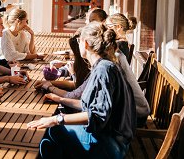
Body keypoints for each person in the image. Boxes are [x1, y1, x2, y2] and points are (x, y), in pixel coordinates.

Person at [28, 23, 137, 158]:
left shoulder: (103, 70)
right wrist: (61, 100)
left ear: (85, 44)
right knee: (49, 139)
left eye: (79, 41)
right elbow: (89, 105)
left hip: (111, 144)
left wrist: (57, 119)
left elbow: (97, 116)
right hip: (115, 140)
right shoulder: (104, 65)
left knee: (53, 131)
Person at [45, 14, 148, 125]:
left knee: (52, 130)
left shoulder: (106, 66)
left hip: (128, 117)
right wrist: (59, 99)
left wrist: (51, 89)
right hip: (124, 115)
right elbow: (87, 103)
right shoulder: (104, 61)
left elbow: (97, 113)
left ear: (85, 44)